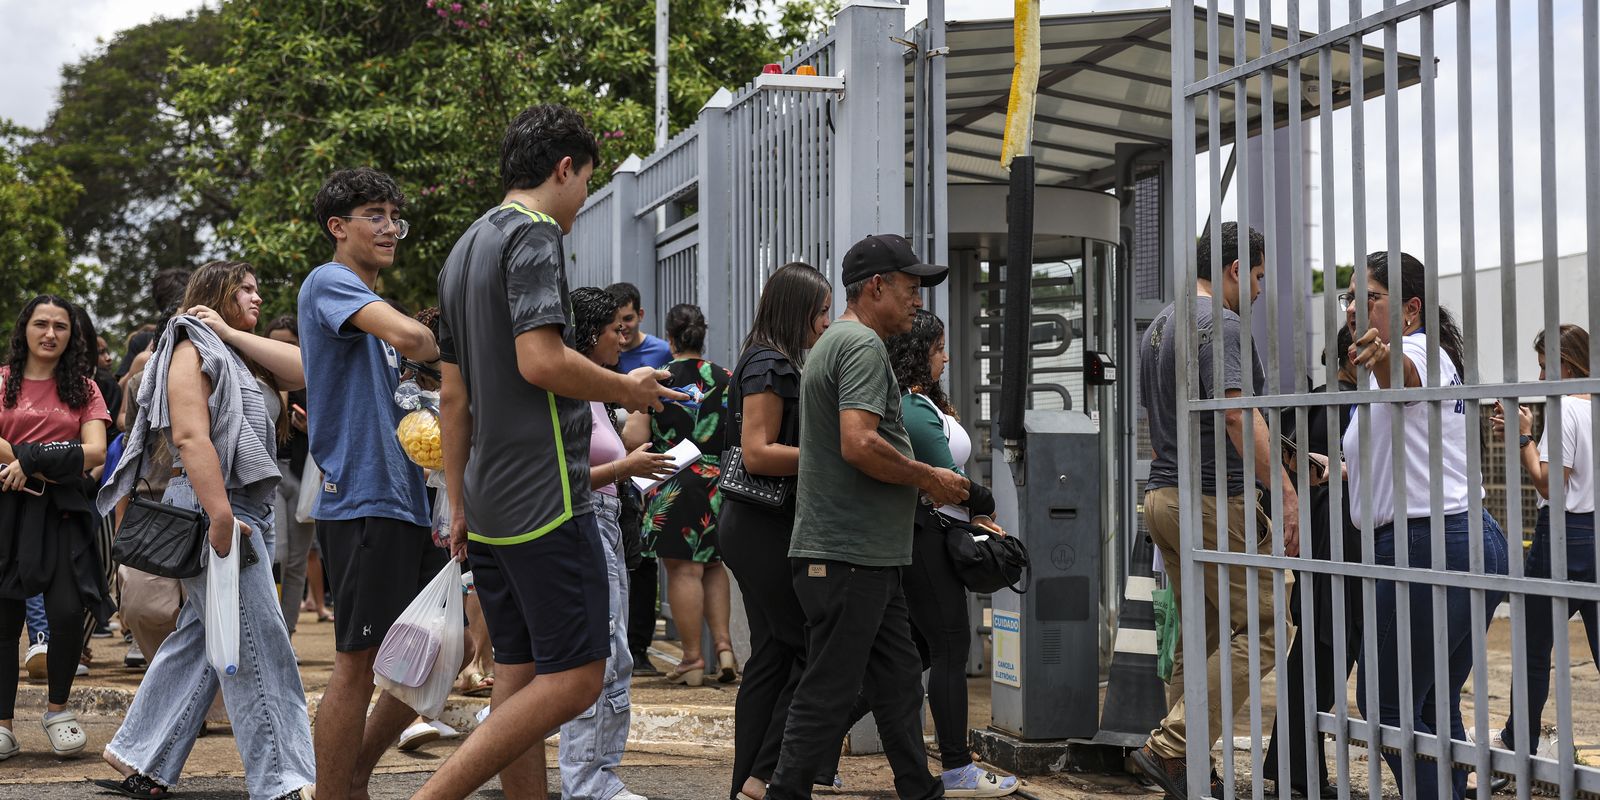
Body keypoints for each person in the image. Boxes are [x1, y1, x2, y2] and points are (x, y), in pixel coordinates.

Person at [422, 103, 681, 800]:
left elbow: (454, 399)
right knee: (576, 678)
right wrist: (628, 390)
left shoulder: (462, 248)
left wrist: (458, 500)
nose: (584, 200)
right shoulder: (532, 234)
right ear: (564, 169)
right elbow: (541, 361)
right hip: (549, 496)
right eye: (586, 182)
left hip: (489, 499)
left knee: (521, 672)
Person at [94, 260, 315, 800]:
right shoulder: (191, 349)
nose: (257, 298)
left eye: (259, 289)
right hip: (216, 505)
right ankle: (283, 778)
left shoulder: (232, 349)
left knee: (202, 639)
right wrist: (219, 516)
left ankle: (141, 755)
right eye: (245, 290)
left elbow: (308, 369)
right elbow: (191, 437)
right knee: (260, 648)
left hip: (236, 507)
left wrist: (231, 329)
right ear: (215, 294)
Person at [762, 233, 966, 800]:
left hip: (866, 556)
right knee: (827, 688)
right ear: (876, 286)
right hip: (846, 555)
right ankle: (783, 791)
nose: (918, 300)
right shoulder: (862, 347)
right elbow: (860, 443)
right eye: (910, 287)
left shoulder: (841, 341)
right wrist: (931, 478)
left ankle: (917, 788)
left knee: (899, 682)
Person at [1132, 222, 1300, 799]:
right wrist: (1280, 488)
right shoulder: (1221, 324)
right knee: (1272, 624)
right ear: (1234, 270)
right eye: (1256, 276)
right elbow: (1235, 414)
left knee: (1202, 636)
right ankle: (1172, 745)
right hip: (1209, 498)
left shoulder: (1158, 326)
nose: (1258, 290)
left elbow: (1160, 434)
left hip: (1162, 495)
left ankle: (1184, 766)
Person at [298, 166, 447, 800]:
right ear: (338, 227)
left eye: (395, 217)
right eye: (375, 216)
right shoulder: (332, 282)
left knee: (434, 654)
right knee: (357, 665)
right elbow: (416, 336)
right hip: (361, 499)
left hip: (404, 499)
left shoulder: (362, 307)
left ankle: (354, 772)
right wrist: (457, 347)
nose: (390, 228)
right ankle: (335, 790)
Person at [1341, 252, 1508, 800]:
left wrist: (1380, 357)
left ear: (1410, 309)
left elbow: (1403, 377)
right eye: (1349, 297)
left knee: (1387, 707)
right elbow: (1397, 454)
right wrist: (1335, 470)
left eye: (1369, 297)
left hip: (1426, 543)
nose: (1353, 307)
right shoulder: (1395, 365)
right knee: (1430, 702)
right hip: (1458, 537)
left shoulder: (1418, 353)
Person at [887, 309, 1018, 798]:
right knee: (948, 649)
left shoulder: (922, 402)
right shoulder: (913, 406)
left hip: (937, 534)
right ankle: (958, 769)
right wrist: (981, 503)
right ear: (919, 353)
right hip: (927, 540)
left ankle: (816, 748)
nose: (947, 356)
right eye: (939, 348)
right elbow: (948, 483)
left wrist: (974, 513)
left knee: (916, 652)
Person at [558, 286, 675, 799]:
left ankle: (598, 772)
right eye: (614, 330)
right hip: (586, 521)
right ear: (589, 335)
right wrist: (626, 467)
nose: (623, 339)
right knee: (602, 655)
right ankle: (587, 779)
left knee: (614, 653)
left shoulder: (596, 390)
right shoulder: (569, 388)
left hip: (605, 520)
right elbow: (559, 474)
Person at [721, 263, 832, 800]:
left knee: (771, 653)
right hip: (761, 524)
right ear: (799, 312)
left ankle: (749, 781)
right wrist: (830, 456)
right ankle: (765, 776)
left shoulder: (770, 359)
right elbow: (759, 452)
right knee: (811, 643)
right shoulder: (769, 364)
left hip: (755, 523)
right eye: (822, 312)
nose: (827, 323)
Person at [0, 295, 112, 761]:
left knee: (66, 611)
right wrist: (39, 462)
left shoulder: (84, 389)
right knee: (4, 619)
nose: (50, 334)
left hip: (64, 511)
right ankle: (3, 725)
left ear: (72, 335)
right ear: (24, 328)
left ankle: (57, 710)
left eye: (61, 326)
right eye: (41, 324)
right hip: (6, 507)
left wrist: (31, 459)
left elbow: (97, 453)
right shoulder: (2, 381)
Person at [1263, 325, 1362, 798]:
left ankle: (1291, 765)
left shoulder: (1310, 404)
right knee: (1326, 656)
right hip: (1345, 543)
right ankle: (1299, 769)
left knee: (1315, 653)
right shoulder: (1354, 405)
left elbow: (1279, 463)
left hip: (1314, 541)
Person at [1493, 324, 1595, 756]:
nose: (1539, 379)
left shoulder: (1567, 407)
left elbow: (1550, 483)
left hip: (1563, 535)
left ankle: (1521, 743)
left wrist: (1524, 437)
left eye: (1543, 367)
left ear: (1565, 365)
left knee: (1533, 647)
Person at [623, 303, 736, 686]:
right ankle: (724, 647)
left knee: (683, 570)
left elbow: (636, 438)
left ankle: (691, 658)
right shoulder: (726, 377)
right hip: (717, 479)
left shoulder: (657, 379)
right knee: (714, 565)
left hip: (673, 477)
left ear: (670, 339)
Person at [608, 281, 673, 677]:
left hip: (647, 469)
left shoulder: (661, 354)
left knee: (642, 560)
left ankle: (640, 645)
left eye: (628, 321)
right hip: (611, 467)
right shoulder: (601, 356)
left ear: (640, 316)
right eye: (615, 325)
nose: (623, 332)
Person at [263, 315, 319, 639]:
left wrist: (310, 428)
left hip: (303, 476)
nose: (284, 350)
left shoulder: (312, 380)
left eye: (291, 344)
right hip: (269, 479)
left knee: (298, 561)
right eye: (277, 344)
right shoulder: (257, 380)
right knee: (276, 556)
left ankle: (288, 632)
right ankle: (269, 632)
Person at [609, 282, 673, 374]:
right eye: (616, 321)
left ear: (640, 315)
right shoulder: (602, 354)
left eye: (628, 319)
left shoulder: (664, 352)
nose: (622, 327)